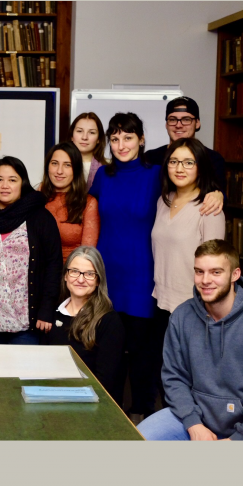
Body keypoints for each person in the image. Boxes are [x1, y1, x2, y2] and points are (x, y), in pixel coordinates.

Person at [137, 239, 243, 441]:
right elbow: (174, 378)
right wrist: (193, 423)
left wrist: (239, 439)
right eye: (199, 271)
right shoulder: (181, 317)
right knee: (141, 437)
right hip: (196, 417)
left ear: (234, 275)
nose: (205, 280)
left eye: (216, 272)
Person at [87, 112, 159, 421]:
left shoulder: (157, 173)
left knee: (143, 353)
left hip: (142, 276)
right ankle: (110, 412)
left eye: (128, 137)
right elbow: (89, 216)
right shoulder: (103, 175)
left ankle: (142, 414)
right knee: (109, 350)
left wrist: (215, 192)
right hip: (107, 276)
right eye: (114, 139)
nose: (121, 144)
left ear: (141, 140)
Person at [150, 137, 226, 399]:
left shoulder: (209, 208)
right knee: (165, 379)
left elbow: (216, 269)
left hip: (194, 309)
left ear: (200, 167)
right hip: (162, 303)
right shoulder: (164, 201)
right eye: (173, 161)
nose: (179, 168)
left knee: (192, 383)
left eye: (187, 162)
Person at [0, 156, 62, 345]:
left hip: (26, 323)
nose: (4, 185)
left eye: (12, 179)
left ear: (22, 183)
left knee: (20, 374)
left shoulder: (40, 218)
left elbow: (53, 265)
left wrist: (46, 309)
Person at [47, 246, 125, 406]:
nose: (81, 279)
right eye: (74, 271)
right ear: (65, 276)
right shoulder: (52, 314)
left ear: (98, 280)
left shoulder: (109, 321)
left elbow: (105, 382)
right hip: (51, 397)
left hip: (89, 404)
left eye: (89, 274)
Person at [143, 96, 225, 215]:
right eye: (172, 119)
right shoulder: (150, 157)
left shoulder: (213, 159)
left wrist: (219, 195)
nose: (179, 125)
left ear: (197, 123)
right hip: (154, 225)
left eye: (186, 119)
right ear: (166, 124)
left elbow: (220, 196)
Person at [39, 142, 100, 262]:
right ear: (47, 166)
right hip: (38, 276)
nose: (59, 171)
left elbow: (86, 257)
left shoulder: (88, 203)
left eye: (67, 165)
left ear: (76, 170)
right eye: (54, 163)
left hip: (71, 274)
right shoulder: (37, 199)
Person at [62, 112, 108, 190]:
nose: (84, 137)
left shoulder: (109, 167)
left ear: (99, 139)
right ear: (71, 136)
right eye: (79, 131)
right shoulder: (59, 165)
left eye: (91, 132)